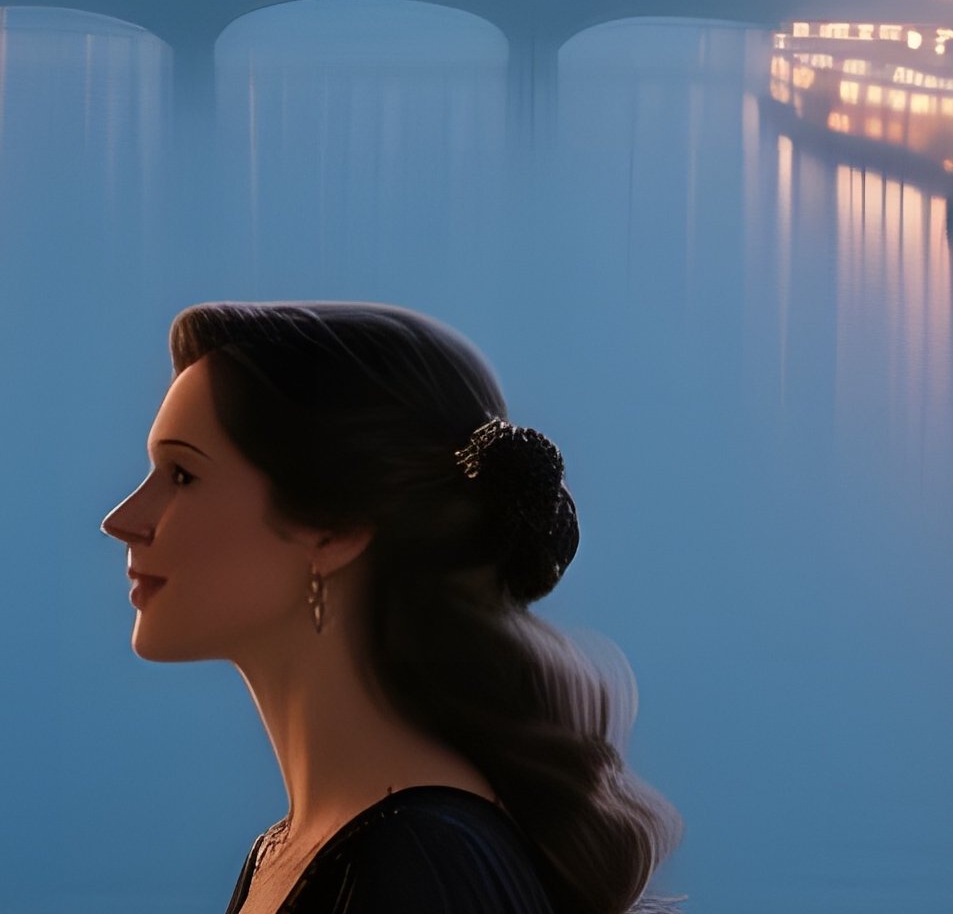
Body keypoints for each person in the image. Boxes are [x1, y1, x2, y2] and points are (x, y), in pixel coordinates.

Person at [101, 301, 681, 914]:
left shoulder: (419, 862)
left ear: (335, 527)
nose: (122, 520)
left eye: (182, 475)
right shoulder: (295, 851)